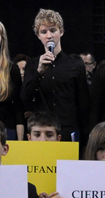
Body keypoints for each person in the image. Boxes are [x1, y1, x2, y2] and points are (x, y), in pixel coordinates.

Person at [22, 9, 89, 141]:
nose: (49, 36)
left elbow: (83, 103)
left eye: (53, 30)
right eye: (44, 32)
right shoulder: (32, 64)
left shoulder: (75, 64)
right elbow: (25, 98)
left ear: (61, 32)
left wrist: (85, 137)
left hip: (67, 130)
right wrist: (39, 72)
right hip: (41, 132)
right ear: (38, 35)